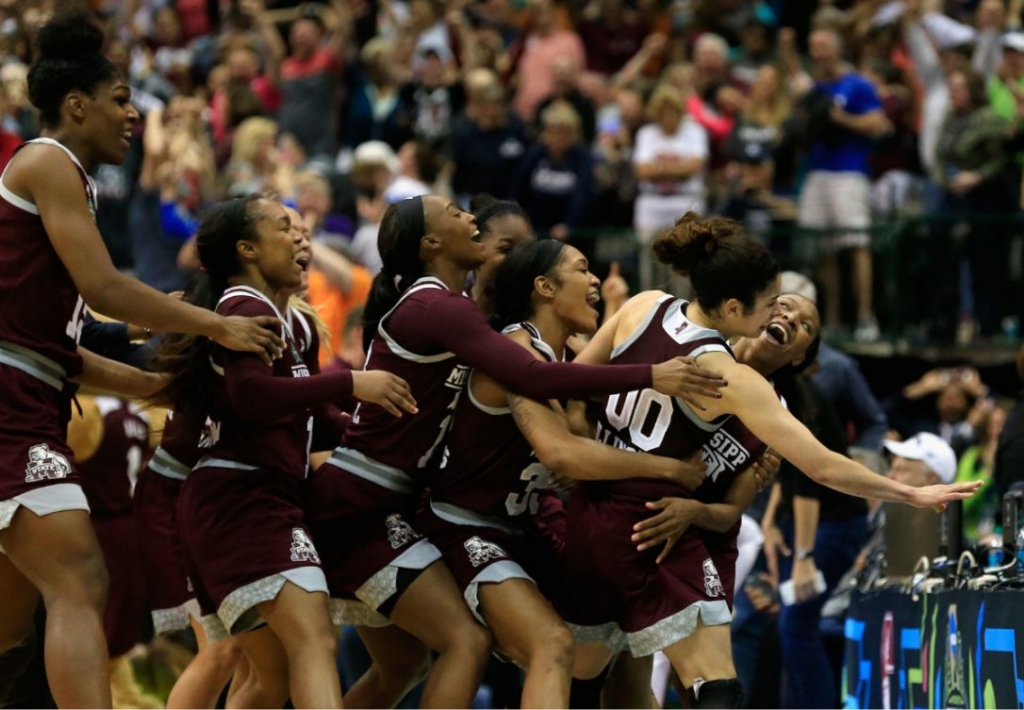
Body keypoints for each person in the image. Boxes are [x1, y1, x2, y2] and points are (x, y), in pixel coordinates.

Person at [307, 194, 728, 708]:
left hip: (458, 511)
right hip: (403, 509)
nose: (469, 220)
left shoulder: (487, 325)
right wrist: (656, 389)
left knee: (406, 665)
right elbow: (557, 441)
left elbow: (579, 390)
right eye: (459, 216)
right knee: (496, 643)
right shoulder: (459, 317)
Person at [563, 213, 981, 708]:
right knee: (708, 686)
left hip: (603, 514)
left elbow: (566, 380)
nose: (777, 316)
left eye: (802, 322)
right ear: (735, 306)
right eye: (773, 304)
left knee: (586, 679)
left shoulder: (646, 305)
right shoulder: (728, 376)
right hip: (648, 521)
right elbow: (824, 466)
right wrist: (909, 492)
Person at [0, 12, 282, 707]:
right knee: (79, 580)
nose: (133, 113)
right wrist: (215, 325)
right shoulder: (45, 161)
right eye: (121, 99)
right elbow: (106, 289)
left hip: (28, 387)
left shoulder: (70, 183)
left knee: (8, 623)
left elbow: (61, 355)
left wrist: (160, 388)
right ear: (76, 105)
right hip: (9, 399)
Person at [151, 195, 416, 709]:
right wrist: (350, 382)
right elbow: (252, 397)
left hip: (259, 496)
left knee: (268, 680)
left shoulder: (291, 322)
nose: (300, 237)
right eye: (283, 228)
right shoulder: (243, 305)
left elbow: (312, 418)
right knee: (310, 641)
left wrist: (372, 430)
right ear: (247, 250)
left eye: (301, 230)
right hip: (241, 495)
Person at [423, 240, 710, 708]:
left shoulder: (558, 360)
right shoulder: (515, 352)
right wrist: (670, 468)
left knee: (623, 635)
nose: (594, 279)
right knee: (551, 644)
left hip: (523, 529)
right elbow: (562, 454)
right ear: (544, 287)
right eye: (582, 269)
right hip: (465, 525)